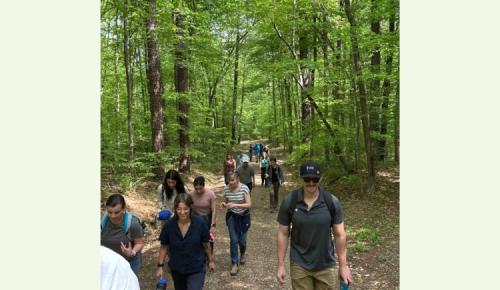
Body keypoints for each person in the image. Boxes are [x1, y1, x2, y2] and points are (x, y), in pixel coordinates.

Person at [276, 161, 353, 289]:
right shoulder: (290, 201)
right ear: (301, 178)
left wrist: (343, 266)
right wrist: (280, 265)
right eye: (307, 179)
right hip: (299, 264)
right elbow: (283, 233)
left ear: (320, 179)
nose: (311, 183)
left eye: (315, 179)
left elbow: (340, 234)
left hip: (326, 265)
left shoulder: (331, 201)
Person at [156, 194, 216, 290]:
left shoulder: (200, 223)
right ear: (175, 209)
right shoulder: (168, 226)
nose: (182, 212)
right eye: (179, 209)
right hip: (177, 268)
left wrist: (211, 260)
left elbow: (206, 244)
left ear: (190, 208)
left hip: (196, 268)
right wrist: (160, 266)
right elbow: (164, 246)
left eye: (185, 209)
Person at [101, 194, 144, 276]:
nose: (112, 216)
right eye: (109, 212)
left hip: (130, 262)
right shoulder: (103, 221)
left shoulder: (132, 224)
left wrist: (132, 252)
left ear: (124, 209)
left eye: (116, 212)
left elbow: (139, 243)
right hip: (110, 263)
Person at [221, 171, 252, 276]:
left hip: (244, 217)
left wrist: (234, 205)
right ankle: (234, 263)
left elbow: (249, 204)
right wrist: (224, 204)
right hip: (232, 217)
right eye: (229, 180)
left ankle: (242, 253)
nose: (230, 182)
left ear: (238, 179)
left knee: (242, 241)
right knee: (234, 240)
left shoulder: (244, 188)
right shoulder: (226, 189)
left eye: (232, 180)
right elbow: (225, 201)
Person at [187, 176, 217, 256]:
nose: (198, 191)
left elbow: (214, 210)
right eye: (196, 189)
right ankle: (201, 255)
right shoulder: (190, 194)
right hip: (196, 217)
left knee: (210, 238)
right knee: (198, 238)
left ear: (204, 186)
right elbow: (188, 208)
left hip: (208, 217)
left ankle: (210, 256)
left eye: (200, 188)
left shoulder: (210, 194)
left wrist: (213, 225)